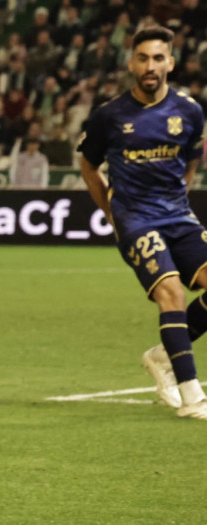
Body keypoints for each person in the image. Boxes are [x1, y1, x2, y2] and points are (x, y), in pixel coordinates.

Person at [78, 25, 207, 419]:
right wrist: (111, 212)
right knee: (172, 295)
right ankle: (192, 398)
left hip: (177, 215)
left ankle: (162, 355)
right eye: (142, 58)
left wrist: (180, 196)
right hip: (135, 219)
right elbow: (87, 165)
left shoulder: (190, 111)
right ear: (131, 63)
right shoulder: (109, 117)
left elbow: (192, 158)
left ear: (170, 61)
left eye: (157, 58)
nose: (149, 66)